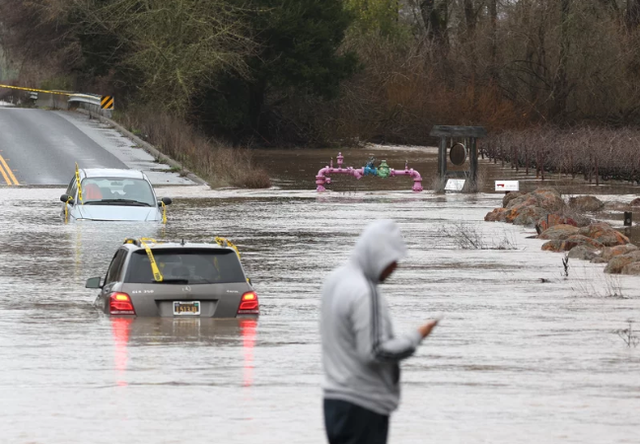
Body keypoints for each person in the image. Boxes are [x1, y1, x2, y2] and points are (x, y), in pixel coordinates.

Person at [320, 219, 439, 444]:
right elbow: (375, 351)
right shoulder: (365, 291)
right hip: (363, 405)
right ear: (378, 254)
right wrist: (417, 336)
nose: (395, 267)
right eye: (392, 260)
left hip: (334, 402)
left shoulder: (334, 281)